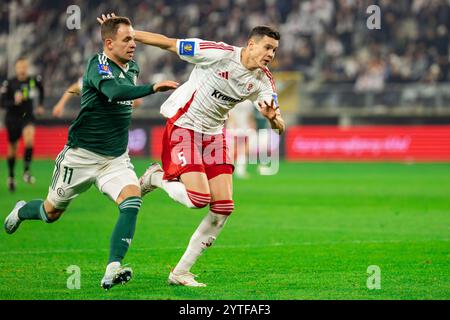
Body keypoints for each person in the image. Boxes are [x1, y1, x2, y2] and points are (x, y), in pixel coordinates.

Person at [101, 14, 284, 287]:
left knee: (223, 207)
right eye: (267, 47)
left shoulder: (263, 81)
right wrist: (130, 34)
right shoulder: (218, 54)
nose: (270, 54)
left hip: (214, 135)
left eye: (274, 50)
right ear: (250, 44)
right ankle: (156, 177)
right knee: (197, 199)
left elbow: (280, 126)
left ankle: (180, 272)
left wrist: (271, 118)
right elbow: (169, 43)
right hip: (184, 125)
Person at [3, 16, 178, 290]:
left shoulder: (132, 66)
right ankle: (22, 210)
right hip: (80, 156)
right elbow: (112, 91)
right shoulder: (97, 65)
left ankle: (112, 268)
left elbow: (124, 87)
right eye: (127, 39)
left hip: (115, 158)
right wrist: (152, 88)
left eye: (133, 38)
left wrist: (122, 31)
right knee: (51, 213)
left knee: (132, 200)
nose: (134, 44)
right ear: (109, 43)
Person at [1, 57, 45, 192]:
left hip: (28, 116)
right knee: (12, 149)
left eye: (24, 67)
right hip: (13, 118)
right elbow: (2, 103)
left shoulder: (33, 80)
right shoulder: (9, 83)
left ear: (27, 67)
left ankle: (26, 171)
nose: (22, 69)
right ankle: (11, 176)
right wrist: (14, 102)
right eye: (20, 67)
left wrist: (40, 105)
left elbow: (41, 90)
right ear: (16, 68)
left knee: (29, 140)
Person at [52, 77, 143, 118]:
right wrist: (60, 105)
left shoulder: (123, 78)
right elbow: (74, 89)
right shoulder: (96, 76)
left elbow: (137, 101)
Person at [225, 100, 258, 179]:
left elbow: (250, 115)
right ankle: (228, 169)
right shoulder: (232, 98)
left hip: (245, 127)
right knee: (231, 149)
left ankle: (240, 170)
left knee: (244, 149)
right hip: (233, 127)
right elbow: (229, 114)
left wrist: (252, 125)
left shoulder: (248, 102)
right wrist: (233, 124)